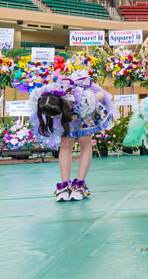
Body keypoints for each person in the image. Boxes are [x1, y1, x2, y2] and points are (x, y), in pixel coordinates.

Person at [29, 71, 118, 202]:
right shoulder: (43, 99)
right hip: (66, 116)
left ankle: (79, 185)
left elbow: (100, 95)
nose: (52, 118)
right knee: (65, 143)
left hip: (85, 114)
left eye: (54, 116)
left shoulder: (83, 99)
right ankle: (64, 185)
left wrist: (93, 99)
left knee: (85, 142)